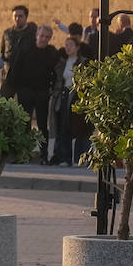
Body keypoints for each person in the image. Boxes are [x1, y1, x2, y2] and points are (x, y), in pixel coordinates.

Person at [10, 23, 61, 159]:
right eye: (42, 36)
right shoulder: (25, 49)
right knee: (24, 124)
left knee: (42, 125)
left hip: (42, 93)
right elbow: (16, 69)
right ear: (37, 35)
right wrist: (18, 88)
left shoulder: (51, 52)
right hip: (25, 91)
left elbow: (56, 72)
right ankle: (22, 154)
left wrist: (50, 89)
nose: (44, 39)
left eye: (47, 37)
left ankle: (44, 155)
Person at [50, 33, 87, 166]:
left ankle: (79, 157)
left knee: (77, 127)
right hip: (63, 95)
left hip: (76, 96)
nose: (68, 48)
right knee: (63, 126)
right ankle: (64, 157)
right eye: (66, 45)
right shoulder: (63, 62)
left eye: (71, 45)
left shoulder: (82, 62)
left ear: (77, 47)